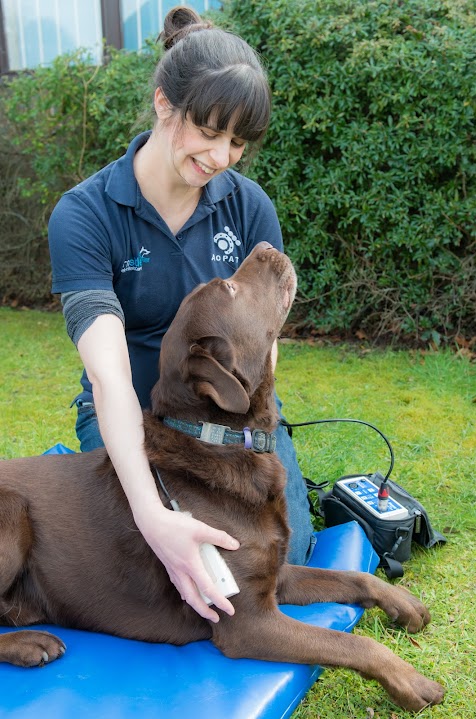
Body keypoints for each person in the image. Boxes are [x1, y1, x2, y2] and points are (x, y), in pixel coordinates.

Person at [48, 5, 314, 624]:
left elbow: (263, 348)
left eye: (239, 142)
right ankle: (83, 484)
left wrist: (256, 440)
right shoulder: (84, 215)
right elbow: (109, 377)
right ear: (166, 104)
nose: (222, 156)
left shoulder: (249, 208)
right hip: (132, 413)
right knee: (184, 566)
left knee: (282, 551)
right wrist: (150, 512)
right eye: (210, 132)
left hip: (228, 420)